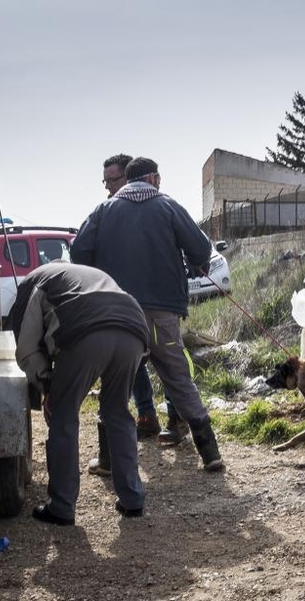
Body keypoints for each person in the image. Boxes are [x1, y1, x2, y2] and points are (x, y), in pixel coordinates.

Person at [71, 157, 225, 472]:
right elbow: (200, 247)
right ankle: (210, 453)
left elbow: (78, 251)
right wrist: (195, 262)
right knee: (179, 377)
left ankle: (108, 460)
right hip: (161, 315)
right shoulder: (169, 207)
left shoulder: (104, 210)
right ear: (153, 178)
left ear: (128, 181)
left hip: (119, 315)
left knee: (116, 382)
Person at [8, 261, 150, 524]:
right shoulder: (81, 275)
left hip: (86, 332)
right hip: (134, 330)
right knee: (117, 411)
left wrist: (47, 386)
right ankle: (133, 499)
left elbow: (26, 349)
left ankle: (61, 506)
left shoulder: (31, 284)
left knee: (63, 415)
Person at [86, 155, 185, 478]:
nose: (110, 187)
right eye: (106, 182)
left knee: (168, 361)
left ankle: (176, 419)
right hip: (125, 303)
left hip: (156, 302)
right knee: (131, 363)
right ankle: (146, 417)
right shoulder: (108, 211)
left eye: (113, 181)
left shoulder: (157, 207)